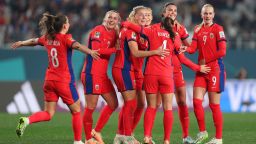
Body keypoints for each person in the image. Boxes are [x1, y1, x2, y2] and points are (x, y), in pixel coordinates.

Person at [122, 10, 211, 143]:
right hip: (167, 75)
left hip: (151, 74)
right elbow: (183, 58)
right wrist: (198, 68)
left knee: (151, 106)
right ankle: (167, 140)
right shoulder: (175, 36)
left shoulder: (151, 30)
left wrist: (125, 22)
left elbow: (130, 25)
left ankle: (147, 136)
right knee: (167, 108)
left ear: (160, 23)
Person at [12, 13, 99, 144]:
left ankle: (27, 120)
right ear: (65, 26)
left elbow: (34, 41)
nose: (69, 24)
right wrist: (90, 52)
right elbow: (77, 46)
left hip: (49, 80)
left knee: (48, 113)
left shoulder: (48, 37)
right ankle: (77, 142)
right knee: (76, 110)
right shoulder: (66, 38)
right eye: (68, 22)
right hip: (64, 81)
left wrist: (21, 43)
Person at [155, 2, 211, 144]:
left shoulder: (180, 28)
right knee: (155, 105)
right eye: (169, 10)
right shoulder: (156, 28)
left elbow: (190, 47)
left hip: (177, 70)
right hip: (162, 71)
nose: (172, 12)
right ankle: (149, 136)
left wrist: (197, 32)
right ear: (163, 13)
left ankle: (185, 137)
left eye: (174, 10)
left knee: (181, 103)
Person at [112, 6, 169, 144]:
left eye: (148, 15)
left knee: (141, 104)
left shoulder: (146, 32)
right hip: (125, 69)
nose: (146, 17)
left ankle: (124, 134)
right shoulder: (130, 31)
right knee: (130, 103)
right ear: (135, 16)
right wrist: (155, 52)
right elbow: (135, 53)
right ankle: (126, 136)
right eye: (142, 15)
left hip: (136, 71)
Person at [183, 4, 227, 144]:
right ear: (201, 15)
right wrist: (186, 48)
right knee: (196, 102)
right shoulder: (197, 29)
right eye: (205, 13)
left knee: (214, 105)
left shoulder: (218, 29)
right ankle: (203, 132)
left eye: (209, 13)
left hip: (215, 70)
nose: (207, 16)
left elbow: (222, 52)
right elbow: (193, 48)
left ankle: (218, 138)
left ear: (213, 15)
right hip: (201, 71)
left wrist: (205, 61)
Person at [81, 10, 121, 144]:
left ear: (117, 22)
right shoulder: (98, 30)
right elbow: (96, 51)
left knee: (113, 103)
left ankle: (96, 131)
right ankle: (88, 139)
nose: (112, 20)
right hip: (92, 73)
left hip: (102, 75)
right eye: (110, 17)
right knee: (90, 108)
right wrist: (115, 50)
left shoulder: (114, 34)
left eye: (115, 18)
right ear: (105, 18)